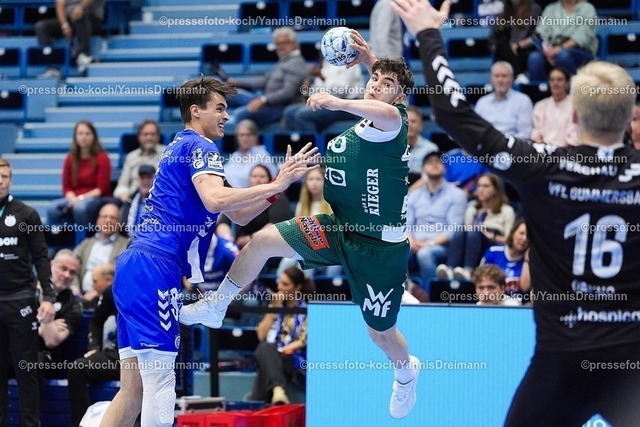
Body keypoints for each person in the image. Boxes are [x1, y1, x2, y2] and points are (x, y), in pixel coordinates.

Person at [391, 0, 640, 424]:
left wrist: (429, 35)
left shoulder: (544, 165)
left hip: (562, 362)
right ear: (630, 117)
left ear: (574, 114)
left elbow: (456, 117)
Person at [181, 34, 422, 420]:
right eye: (374, 80)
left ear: (401, 97)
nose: (377, 85)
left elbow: (385, 109)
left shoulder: (394, 122)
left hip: (379, 249)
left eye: (387, 84)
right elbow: (380, 91)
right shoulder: (371, 115)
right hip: (338, 227)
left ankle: (406, 372)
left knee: (380, 334)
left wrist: (336, 101)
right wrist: (370, 60)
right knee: (262, 240)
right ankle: (217, 304)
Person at [99, 76, 316, 427]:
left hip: (135, 267)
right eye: (220, 108)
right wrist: (274, 183)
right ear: (195, 111)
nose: (227, 116)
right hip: (156, 266)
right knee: (161, 382)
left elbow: (240, 214)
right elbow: (215, 200)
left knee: (132, 391)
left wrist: (280, 186)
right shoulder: (202, 147)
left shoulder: (183, 145)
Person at [0, 158, 55, 427]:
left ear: (10, 180)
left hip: (20, 299)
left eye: (4, 177)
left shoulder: (26, 214)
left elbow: (41, 257)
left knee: (27, 370)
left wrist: (48, 297)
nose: (0, 181)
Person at [437, 173, 516, 281]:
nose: (481, 190)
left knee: (474, 232)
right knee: (460, 231)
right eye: (479, 186)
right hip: (472, 241)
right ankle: (450, 269)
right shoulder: (472, 209)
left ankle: (468, 271)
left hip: (492, 242)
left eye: (486, 186)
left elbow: (509, 240)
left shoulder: (506, 211)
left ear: (495, 189)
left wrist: (489, 235)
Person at [406, 151, 467, 290]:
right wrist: (411, 241)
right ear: (422, 170)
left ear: (445, 169)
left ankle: (432, 295)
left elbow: (454, 229)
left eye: (438, 162)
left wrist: (428, 244)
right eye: (429, 162)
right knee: (398, 250)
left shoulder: (457, 195)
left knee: (424, 254)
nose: (434, 164)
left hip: (442, 246)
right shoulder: (413, 195)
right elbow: (406, 224)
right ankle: (402, 292)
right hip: (414, 243)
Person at [68, 264, 119, 427]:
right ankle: (81, 424)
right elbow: (96, 320)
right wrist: (94, 347)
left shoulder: (154, 288)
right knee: (78, 368)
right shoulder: (113, 290)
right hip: (119, 356)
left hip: (148, 357)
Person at [226, 27, 309, 128]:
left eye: (284, 43)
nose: (280, 47)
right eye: (277, 44)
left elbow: (288, 92)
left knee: (239, 114)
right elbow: (264, 81)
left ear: (294, 43)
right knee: (233, 94)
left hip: (278, 107)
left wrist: (264, 99)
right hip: (267, 102)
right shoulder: (284, 60)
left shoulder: (296, 63)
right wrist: (237, 83)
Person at [250, 267, 310, 405]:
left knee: (266, 353)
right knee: (265, 349)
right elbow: (261, 335)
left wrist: (280, 351)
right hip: (272, 354)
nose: (279, 287)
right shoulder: (274, 306)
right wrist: (274, 309)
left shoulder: (306, 310)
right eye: (279, 283)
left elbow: (302, 341)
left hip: (293, 359)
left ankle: (256, 404)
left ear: (297, 287)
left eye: (285, 284)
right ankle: (278, 390)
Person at [46, 120, 113, 228]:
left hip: (96, 198)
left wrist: (80, 198)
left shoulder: (102, 157)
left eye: (87, 134)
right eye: (80, 134)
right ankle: (56, 237)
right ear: (75, 137)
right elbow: (66, 188)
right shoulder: (70, 158)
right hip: (74, 198)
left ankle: (82, 237)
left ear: (94, 136)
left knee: (80, 208)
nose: (83, 137)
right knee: (52, 208)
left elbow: (101, 189)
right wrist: (73, 199)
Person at [218, 164, 292, 250]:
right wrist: (227, 240)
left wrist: (251, 238)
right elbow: (223, 222)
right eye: (254, 176)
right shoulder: (242, 196)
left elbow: (275, 225)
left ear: (269, 179)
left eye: (262, 176)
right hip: (238, 245)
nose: (258, 180)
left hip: (267, 245)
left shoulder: (278, 198)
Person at [282, 59, 363, 133]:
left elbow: (341, 91)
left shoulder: (349, 62)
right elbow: (319, 89)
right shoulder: (326, 62)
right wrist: (309, 86)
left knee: (303, 115)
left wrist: (321, 76)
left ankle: (311, 144)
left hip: (346, 106)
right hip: (327, 103)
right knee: (289, 112)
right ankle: (295, 143)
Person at [38, 250, 83, 378]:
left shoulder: (74, 304)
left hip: (45, 357)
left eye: (72, 272)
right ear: (51, 265)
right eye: (63, 268)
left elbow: (51, 340)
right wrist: (43, 329)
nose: (67, 275)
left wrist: (44, 301)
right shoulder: (28, 289)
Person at [527, 0, 598, 81]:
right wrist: (548, 51)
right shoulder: (551, 9)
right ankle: (539, 88)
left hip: (580, 51)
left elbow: (581, 37)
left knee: (563, 55)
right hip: (553, 49)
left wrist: (558, 49)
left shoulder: (588, 9)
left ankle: (571, 87)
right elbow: (541, 34)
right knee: (534, 58)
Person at [73, 203, 128, 306]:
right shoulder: (86, 244)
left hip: (109, 299)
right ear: (98, 220)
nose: (108, 220)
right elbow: (72, 265)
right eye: (104, 216)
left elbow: (124, 275)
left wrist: (100, 292)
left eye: (113, 218)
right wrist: (76, 292)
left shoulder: (126, 246)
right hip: (81, 296)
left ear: (119, 223)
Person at [35, 0, 104, 73]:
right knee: (42, 26)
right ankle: (52, 67)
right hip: (70, 18)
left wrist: (80, 7)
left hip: (91, 18)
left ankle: (82, 55)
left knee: (80, 14)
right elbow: (60, 4)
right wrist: (65, 25)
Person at [475, 61, 533, 139]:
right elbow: (476, 131)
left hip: (512, 144)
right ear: (491, 79)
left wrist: (502, 142)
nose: (500, 80)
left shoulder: (523, 101)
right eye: (496, 76)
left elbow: (525, 134)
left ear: (512, 79)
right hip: (486, 144)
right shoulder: (482, 103)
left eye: (504, 76)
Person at [489, 0, 541, 83]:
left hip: (525, 50)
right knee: (500, 46)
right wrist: (499, 47)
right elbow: (493, 38)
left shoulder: (534, 9)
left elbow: (538, 35)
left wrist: (518, 45)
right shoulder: (503, 13)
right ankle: (518, 75)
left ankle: (517, 75)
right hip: (506, 52)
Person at [114, 120, 164, 202]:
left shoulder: (167, 154)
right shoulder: (131, 157)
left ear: (158, 136)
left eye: (152, 134)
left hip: (159, 199)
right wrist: (125, 198)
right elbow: (122, 186)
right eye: (145, 134)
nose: (149, 138)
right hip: (132, 200)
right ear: (139, 137)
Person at [481, 219, 530, 299]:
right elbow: (481, 282)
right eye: (521, 233)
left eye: (528, 235)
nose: (524, 238)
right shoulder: (493, 252)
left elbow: (525, 287)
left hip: (519, 303)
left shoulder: (530, 259)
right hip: (493, 301)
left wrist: (527, 259)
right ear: (513, 233)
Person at [223, 120, 278, 188]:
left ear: (255, 136)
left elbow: (273, 180)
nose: (245, 138)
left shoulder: (263, 156)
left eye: (248, 135)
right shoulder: (235, 155)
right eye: (241, 135)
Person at [531, 67, 577, 147]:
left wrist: (560, 150)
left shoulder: (575, 106)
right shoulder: (540, 106)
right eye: (552, 80)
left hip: (566, 150)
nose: (555, 83)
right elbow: (536, 131)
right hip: (543, 149)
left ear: (567, 83)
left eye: (559, 80)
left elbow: (575, 134)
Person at [120, 165, 155, 238]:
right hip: (130, 240)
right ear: (138, 180)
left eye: (148, 178)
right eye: (143, 178)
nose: (145, 181)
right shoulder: (130, 201)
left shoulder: (160, 202)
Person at [406, 106, 438, 183]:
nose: (410, 125)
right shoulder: (392, 148)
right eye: (406, 121)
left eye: (413, 121)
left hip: (422, 188)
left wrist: (410, 190)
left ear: (421, 126)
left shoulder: (431, 149)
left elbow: (430, 177)